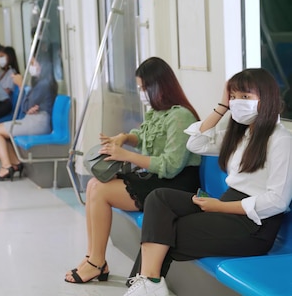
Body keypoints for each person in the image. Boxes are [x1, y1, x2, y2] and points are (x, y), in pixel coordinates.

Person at [124, 68, 292, 296]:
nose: (237, 102)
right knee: (159, 198)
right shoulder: (240, 134)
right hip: (226, 208)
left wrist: (220, 206)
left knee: (164, 230)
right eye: (233, 97)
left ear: (266, 98)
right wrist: (222, 107)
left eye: (245, 97)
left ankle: (147, 285)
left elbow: (277, 201)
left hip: (253, 226)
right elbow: (195, 144)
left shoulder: (281, 140)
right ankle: (150, 283)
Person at [64, 57, 201, 284]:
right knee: (93, 185)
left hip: (175, 184)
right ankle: (93, 257)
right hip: (156, 178)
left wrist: (125, 155)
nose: (141, 93)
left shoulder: (181, 116)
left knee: (100, 191)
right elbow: (145, 136)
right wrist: (125, 138)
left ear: (159, 86)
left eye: (144, 88)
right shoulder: (157, 112)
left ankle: (96, 263)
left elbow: (170, 165)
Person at [0, 57, 57, 180]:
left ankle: (6, 166)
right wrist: (28, 106)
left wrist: (21, 85)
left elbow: (26, 104)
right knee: (0, 131)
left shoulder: (44, 84)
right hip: (33, 119)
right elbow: (25, 106)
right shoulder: (40, 83)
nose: (32, 67)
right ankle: (15, 163)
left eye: (34, 64)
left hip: (38, 122)